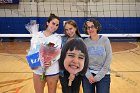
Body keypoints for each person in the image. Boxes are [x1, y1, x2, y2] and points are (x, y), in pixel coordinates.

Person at [28, 13, 61, 93]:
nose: (54, 26)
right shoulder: (37, 35)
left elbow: (58, 54)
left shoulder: (57, 37)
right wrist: (31, 63)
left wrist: (50, 62)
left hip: (52, 70)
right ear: (47, 23)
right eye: (53, 23)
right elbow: (31, 52)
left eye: (57, 25)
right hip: (38, 70)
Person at [82, 18, 112, 93]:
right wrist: (88, 75)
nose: (90, 29)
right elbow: (83, 60)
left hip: (104, 75)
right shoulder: (85, 42)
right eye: (88, 27)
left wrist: (98, 77)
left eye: (92, 26)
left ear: (97, 27)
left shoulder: (105, 40)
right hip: (88, 75)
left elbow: (109, 58)